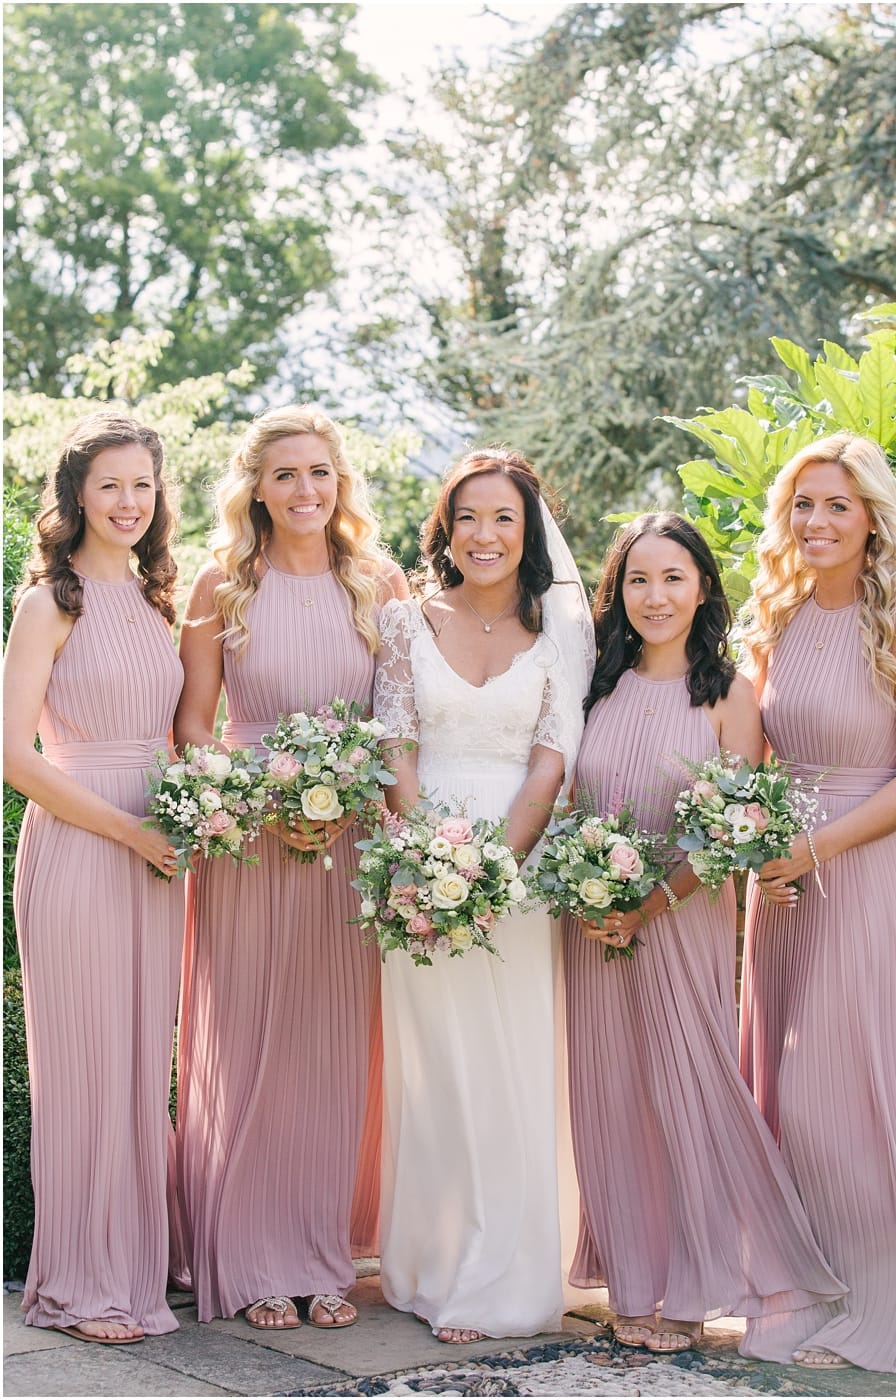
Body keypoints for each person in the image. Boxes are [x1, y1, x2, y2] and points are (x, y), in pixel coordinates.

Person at [564, 513, 846, 1355]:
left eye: (673, 578)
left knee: (686, 1093)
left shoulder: (730, 695)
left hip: (679, 921)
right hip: (591, 924)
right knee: (610, 1099)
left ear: (702, 589)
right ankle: (635, 1286)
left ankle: (692, 1293)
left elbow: (729, 828)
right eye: (638, 581)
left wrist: (651, 901)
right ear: (617, 594)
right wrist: (588, 894)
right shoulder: (594, 683)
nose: (655, 597)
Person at [173, 406, 408, 1329]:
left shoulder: (377, 581)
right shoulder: (221, 582)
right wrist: (260, 797)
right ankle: (252, 1254)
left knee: (330, 1047)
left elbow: (397, 724)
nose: (305, 491)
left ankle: (319, 1254)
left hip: (346, 839)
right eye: (286, 476)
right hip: (247, 839)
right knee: (249, 1043)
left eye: (320, 473)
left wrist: (361, 807)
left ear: (339, 481)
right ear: (256, 488)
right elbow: (192, 724)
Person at [373, 447, 594, 1344]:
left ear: (530, 530)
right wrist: (431, 859)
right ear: (446, 529)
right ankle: (431, 1262)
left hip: (519, 870)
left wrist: (495, 866)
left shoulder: (562, 633)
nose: (485, 534)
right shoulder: (402, 621)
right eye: (468, 517)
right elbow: (394, 741)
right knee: (433, 1071)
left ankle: (504, 1271)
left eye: (503, 517)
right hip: (420, 867)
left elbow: (553, 758)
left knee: (508, 1063)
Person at [738, 433, 896, 1372]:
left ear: (871, 520)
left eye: (836, 506)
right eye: (803, 505)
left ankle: (886, 1301)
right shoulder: (774, 617)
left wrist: (816, 845)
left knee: (840, 1093)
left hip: (858, 867)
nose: (816, 523)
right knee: (782, 1092)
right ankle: (811, 1291)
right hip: (777, 880)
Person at [4, 412, 185, 1343]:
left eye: (142, 486)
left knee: (138, 1066)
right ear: (77, 493)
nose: (127, 502)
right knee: (83, 1067)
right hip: (83, 843)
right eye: (110, 484)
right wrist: (128, 830)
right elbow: (14, 755)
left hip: (157, 855)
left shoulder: (160, 600)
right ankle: (78, 1286)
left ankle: (130, 1271)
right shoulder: (50, 602)